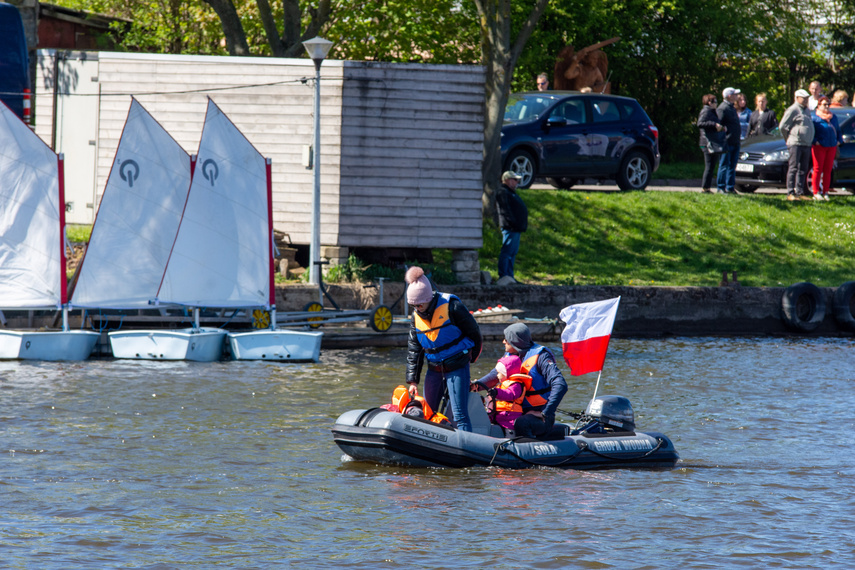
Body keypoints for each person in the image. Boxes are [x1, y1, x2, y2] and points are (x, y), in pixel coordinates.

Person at [405, 266, 482, 432]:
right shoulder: (415, 317)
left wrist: (471, 358)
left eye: (419, 305)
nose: (416, 308)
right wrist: (413, 380)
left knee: (459, 414)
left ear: (428, 299)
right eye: (413, 305)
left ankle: (466, 449)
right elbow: (414, 350)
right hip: (434, 369)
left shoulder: (452, 307)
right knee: (428, 411)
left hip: (457, 366)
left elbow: (474, 333)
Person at [472, 323, 568, 439]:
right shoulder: (510, 354)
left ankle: (532, 448)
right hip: (515, 412)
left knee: (522, 423)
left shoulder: (541, 356)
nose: (503, 342)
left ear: (515, 342)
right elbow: (495, 375)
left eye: (506, 339)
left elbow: (560, 384)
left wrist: (545, 413)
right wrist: (475, 386)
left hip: (539, 416)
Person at [780, 89, 816, 201]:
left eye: (806, 98)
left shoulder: (807, 110)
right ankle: (790, 192)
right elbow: (782, 126)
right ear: (797, 98)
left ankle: (800, 192)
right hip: (795, 143)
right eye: (803, 98)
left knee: (803, 169)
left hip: (806, 143)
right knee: (793, 167)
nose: (806, 100)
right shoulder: (793, 110)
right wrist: (789, 138)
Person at [496, 170, 528, 282]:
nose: (517, 182)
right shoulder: (503, 192)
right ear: (507, 180)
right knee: (507, 251)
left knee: (513, 252)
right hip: (510, 227)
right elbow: (506, 210)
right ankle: (504, 275)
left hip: (516, 228)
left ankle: (510, 275)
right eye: (515, 180)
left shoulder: (511, 192)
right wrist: (513, 222)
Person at [480, 354, 526, 430]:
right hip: (498, 414)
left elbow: (510, 394)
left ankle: (512, 438)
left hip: (509, 417)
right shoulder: (501, 385)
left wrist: (496, 392)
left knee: (509, 431)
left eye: (499, 373)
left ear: (506, 374)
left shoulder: (516, 385)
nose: (497, 375)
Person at [811, 96, 843, 201]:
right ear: (819, 105)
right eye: (824, 104)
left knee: (828, 170)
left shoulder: (833, 117)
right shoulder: (815, 118)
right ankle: (816, 192)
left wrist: (839, 140)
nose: (827, 107)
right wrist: (815, 141)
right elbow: (812, 132)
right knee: (818, 169)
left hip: (831, 146)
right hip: (819, 147)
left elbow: (838, 130)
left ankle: (826, 192)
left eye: (828, 104)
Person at [697, 93, 725, 193]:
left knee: (712, 165)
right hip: (707, 143)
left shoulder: (712, 111)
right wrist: (714, 124)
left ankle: (707, 187)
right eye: (715, 101)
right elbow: (700, 123)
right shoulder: (706, 111)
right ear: (709, 102)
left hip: (712, 142)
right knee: (709, 166)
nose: (716, 103)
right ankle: (705, 188)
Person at [716, 87, 742, 194]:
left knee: (732, 166)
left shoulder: (731, 107)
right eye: (735, 95)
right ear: (729, 96)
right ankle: (721, 187)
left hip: (735, 141)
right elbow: (718, 125)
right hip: (727, 142)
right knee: (724, 165)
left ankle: (730, 187)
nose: (737, 96)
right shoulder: (723, 108)